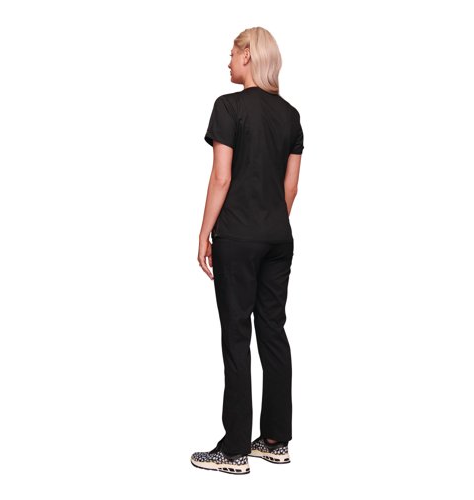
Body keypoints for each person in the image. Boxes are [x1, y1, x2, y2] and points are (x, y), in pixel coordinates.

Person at [190, 27, 304, 475]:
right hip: (278, 238)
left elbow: (221, 178)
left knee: (236, 336)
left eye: (232, 54)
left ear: (248, 55)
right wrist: (269, 223)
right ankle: (275, 440)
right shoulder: (291, 115)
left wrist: (205, 232)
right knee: (273, 332)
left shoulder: (228, 107)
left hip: (237, 239)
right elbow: (290, 188)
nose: (228, 62)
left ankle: (234, 449)